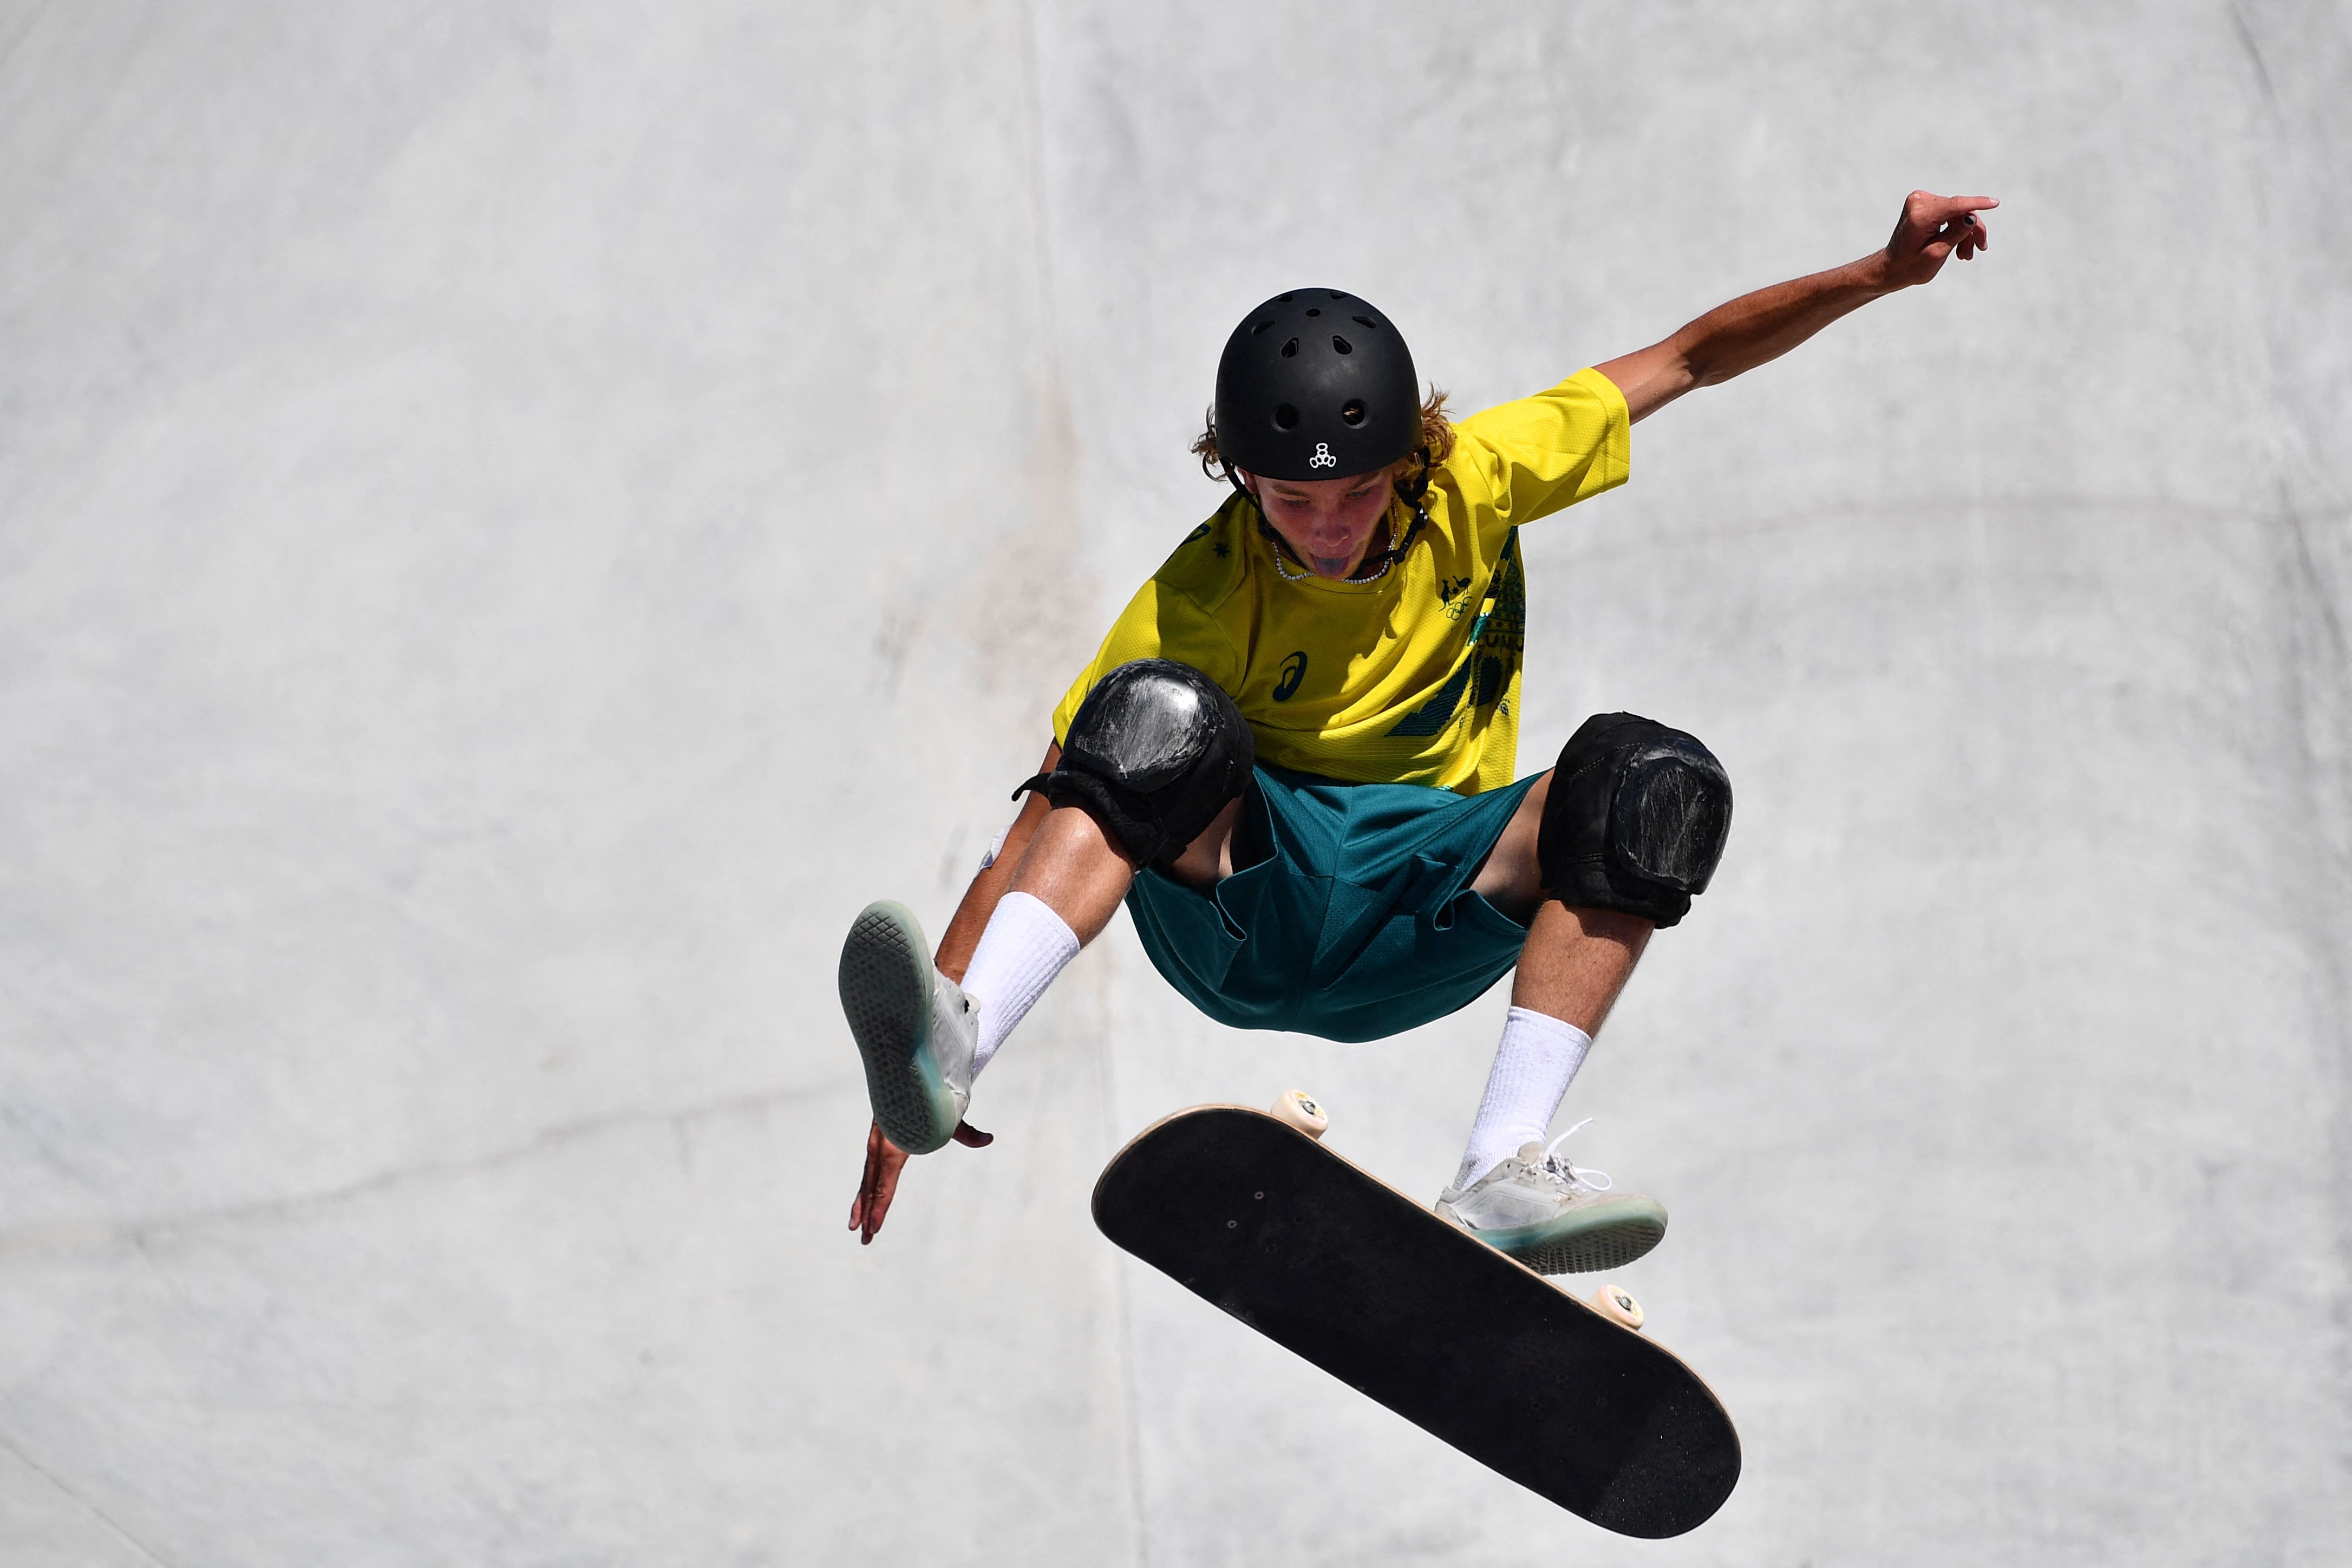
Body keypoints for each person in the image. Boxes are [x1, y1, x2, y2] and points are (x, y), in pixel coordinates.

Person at [842, 190, 1996, 1270]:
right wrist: (927, 1056)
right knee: (1151, 718)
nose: (1330, 526)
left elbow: (1689, 358)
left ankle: (1502, 1164)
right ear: (1241, 473)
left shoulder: (1479, 476)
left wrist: (1881, 272)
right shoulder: (1202, 593)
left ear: (1413, 456)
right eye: (1293, 499)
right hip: (1253, 904)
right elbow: (1049, 814)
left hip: (1429, 905)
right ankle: (969, 1038)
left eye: (1360, 492)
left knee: (1649, 781)